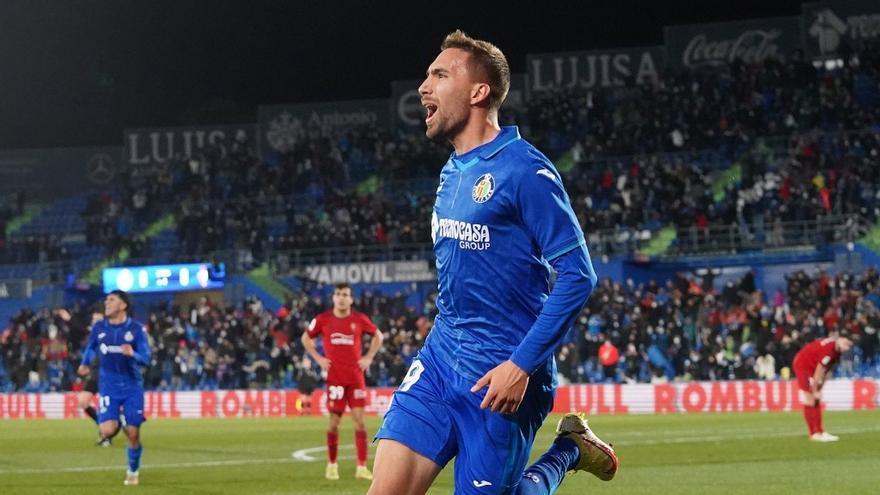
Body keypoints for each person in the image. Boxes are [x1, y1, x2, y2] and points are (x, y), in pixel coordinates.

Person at [368, 30, 617, 495]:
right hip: (441, 360)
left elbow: (578, 275)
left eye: (440, 74)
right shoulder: (451, 171)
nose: (423, 86)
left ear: (479, 92)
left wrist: (520, 366)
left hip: (503, 374)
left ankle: (568, 450)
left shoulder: (525, 170)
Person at [301, 283, 385, 481]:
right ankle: (332, 465)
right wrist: (319, 358)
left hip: (355, 378)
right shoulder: (323, 319)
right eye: (338, 294)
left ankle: (362, 467)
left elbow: (378, 336)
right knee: (333, 423)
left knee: (360, 423)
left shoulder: (359, 319)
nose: (341, 298)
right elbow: (306, 337)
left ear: (351, 299)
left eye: (345, 294)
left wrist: (369, 357)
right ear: (333, 298)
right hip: (335, 379)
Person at [77, 290, 151, 486]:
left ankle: (133, 470)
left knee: (133, 434)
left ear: (123, 305)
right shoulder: (99, 327)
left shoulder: (135, 329)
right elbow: (91, 347)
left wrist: (133, 353)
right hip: (108, 385)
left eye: (111, 300)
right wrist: (84, 363)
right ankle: (121, 419)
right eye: (106, 300)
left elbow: (147, 358)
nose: (106, 303)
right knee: (107, 430)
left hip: (131, 385)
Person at [792, 333, 853, 441]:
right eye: (845, 344)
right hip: (803, 366)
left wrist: (820, 387)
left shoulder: (836, 350)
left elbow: (827, 370)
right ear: (840, 339)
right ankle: (814, 433)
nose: (846, 348)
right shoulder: (829, 350)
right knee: (810, 399)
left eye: (849, 346)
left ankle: (820, 431)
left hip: (811, 367)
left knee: (816, 400)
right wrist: (815, 390)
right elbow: (819, 371)